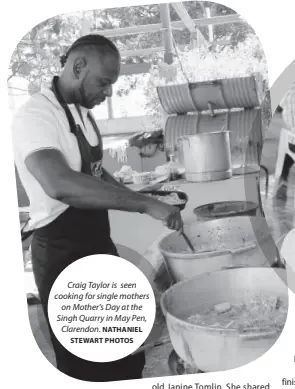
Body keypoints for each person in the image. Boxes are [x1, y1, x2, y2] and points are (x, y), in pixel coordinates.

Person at [11, 34, 183, 382]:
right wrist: (144, 204)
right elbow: (59, 182)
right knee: (87, 360)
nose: (109, 93)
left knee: (122, 349)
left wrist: (146, 203)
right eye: (104, 82)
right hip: (62, 251)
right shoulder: (36, 116)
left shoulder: (82, 115)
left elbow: (94, 172)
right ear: (77, 67)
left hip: (96, 243)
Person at [275, 83, 295, 200]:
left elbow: (279, 107)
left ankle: (283, 180)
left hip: (293, 142)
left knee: (286, 157)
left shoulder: (287, 92)